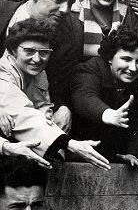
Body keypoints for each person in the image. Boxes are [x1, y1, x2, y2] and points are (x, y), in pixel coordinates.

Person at [0, 20, 110, 170]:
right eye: (29, 51)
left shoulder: (39, 73)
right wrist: (69, 144)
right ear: (13, 51)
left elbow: (43, 109)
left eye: (44, 52)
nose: (37, 59)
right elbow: (23, 114)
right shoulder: (3, 72)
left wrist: (59, 149)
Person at [3, 0, 80, 131]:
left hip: (33, 121)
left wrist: (63, 107)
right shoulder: (1, 12)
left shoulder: (68, 36)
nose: (65, 10)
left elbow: (60, 84)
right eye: (58, 0)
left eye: (70, 3)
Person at [70, 27, 138, 167]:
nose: (133, 68)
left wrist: (133, 153)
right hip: (81, 153)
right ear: (110, 57)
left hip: (114, 155)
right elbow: (84, 96)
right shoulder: (90, 69)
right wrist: (108, 114)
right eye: (126, 59)